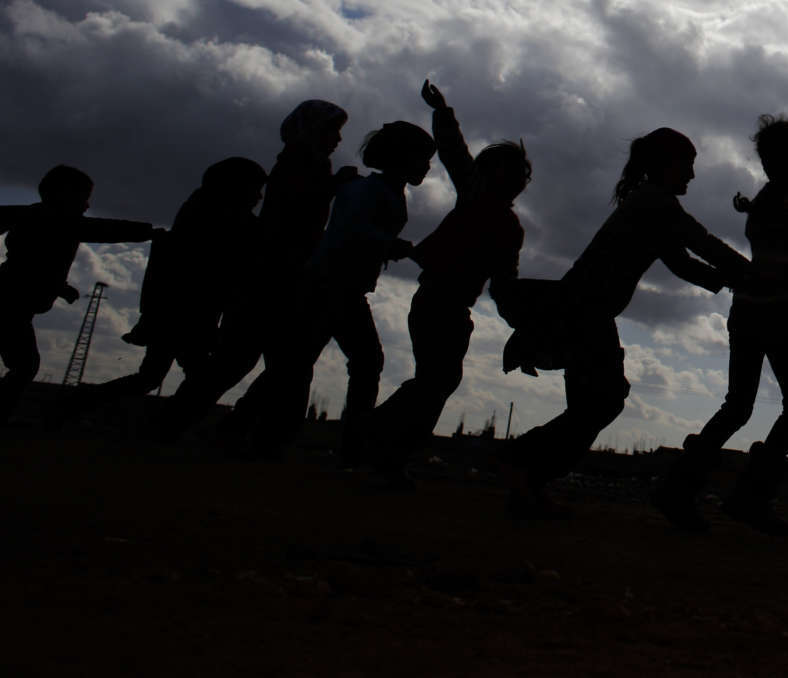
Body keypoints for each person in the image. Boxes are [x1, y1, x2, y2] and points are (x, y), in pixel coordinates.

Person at [499, 127, 746, 519]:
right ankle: (523, 464)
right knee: (602, 401)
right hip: (585, 312)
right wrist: (752, 275)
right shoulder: (655, 203)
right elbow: (703, 244)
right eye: (686, 165)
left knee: (596, 402)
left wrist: (732, 280)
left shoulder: (650, 203)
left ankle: (527, 479)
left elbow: (681, 261)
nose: (692, 175)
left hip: (588, 312)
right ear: (665, 165)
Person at [655, 114, 788, 535]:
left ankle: (681, 487)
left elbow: (780, 265)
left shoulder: (762, 205)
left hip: (746, 313)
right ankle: (748, 497)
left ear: (764, 159)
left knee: (738, 406)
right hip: (777, 317)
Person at [370, 81, 531, 489]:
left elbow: (505, 284)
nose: (518, 178)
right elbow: (454, 152)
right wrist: (442, 112)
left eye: (521, 174)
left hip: (455, 308)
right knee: (436, 381)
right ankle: (379, 444)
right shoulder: (477, 195)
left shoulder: (510, 228)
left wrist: (525, 328)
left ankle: (382, 446)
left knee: (439, 381)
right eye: (510, 170)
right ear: (490, 173)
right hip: (435, 300)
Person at [162, 99, 350, 441]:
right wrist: (334, 187)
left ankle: (231, 433)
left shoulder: (309, 164)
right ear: (311, 131)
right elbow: (292, 215)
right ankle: (245, 436)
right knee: (260, 362)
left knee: (270, 363)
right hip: (273, 276)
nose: (337, 140)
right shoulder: (298, 163)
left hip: (282, 274)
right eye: (331, 131)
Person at [252, 118, 435, 461]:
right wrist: (393, 246)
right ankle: (343, 447)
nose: (426, 167)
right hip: (329, 285)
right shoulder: (368, 191)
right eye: (422, 159)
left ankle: (258, 431)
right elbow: (352, 231)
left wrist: (392, 247)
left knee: (299, 362)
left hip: (340, 287)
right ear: (402, 158)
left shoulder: (382, 190)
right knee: (338, 362)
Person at [52, 158, 267, 426]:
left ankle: (80, 404)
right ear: (235, 188)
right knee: (193, 377)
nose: (259, 197)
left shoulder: (205, 210)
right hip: (185, 312)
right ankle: (164, 426)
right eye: (254, 189)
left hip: (177, 311)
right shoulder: (218, 217)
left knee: (155, 377)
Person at [0, 166, 159, 423]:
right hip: (9, 305)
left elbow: (36, 265)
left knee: (24, 365)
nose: (86, 205)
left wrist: (60, 287)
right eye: (82, 197)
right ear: (60, 194)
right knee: (25, 366)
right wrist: (148, 232)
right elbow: (103, 229)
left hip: (14, 304)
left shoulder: (39, 218)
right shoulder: (53, 219)